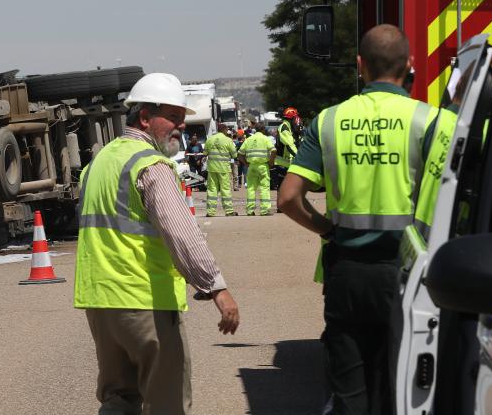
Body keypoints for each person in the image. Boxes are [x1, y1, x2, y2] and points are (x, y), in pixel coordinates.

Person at [278, 24, 437, 415]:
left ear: (360, 65)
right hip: (410, 275)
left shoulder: (330, 121)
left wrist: (326, 228)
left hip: (347, 272)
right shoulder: (434, 123)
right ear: (410, 65)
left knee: (350, 390)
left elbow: (288, 198)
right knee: (404, 385)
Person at [74, 72, 240, 415]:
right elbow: (181, 234)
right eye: (173, 118)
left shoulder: (98, 163)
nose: (180, 127)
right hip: (144, 300)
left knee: (118, 399)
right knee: (167, 402)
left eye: (182, 119)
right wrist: (216, 288)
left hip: (100, 303)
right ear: (146, 117)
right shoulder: (151, 166)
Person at [238, 123, 276, 216]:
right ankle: (264, 210)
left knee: (251, 188)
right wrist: (271, 162)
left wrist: (246, 163)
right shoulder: (265, 139)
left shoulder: (249, 139)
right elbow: (274, 150)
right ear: (263, 130)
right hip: (263, 166)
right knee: (264, 188)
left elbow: (240, 154)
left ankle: (250, 211)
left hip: (251, 167)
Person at [204, 127, 238, 216]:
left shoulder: (210, 139)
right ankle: (229, 211)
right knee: (225, 189)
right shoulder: (228, 140)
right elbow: (234, 155)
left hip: (212, 169)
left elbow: (205, 153)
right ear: (225, 130)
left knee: (212, 190)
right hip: (224, 169)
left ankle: (210, 212)